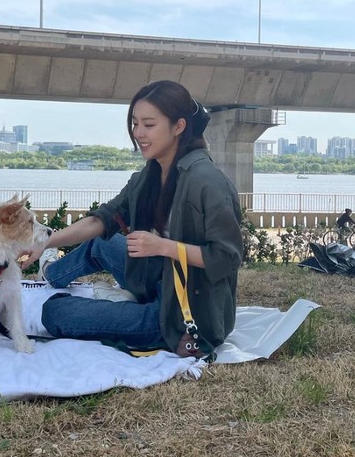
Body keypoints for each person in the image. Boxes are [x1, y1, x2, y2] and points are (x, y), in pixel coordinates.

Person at [20, 80, 243, 358]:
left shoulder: (207, 182)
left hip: (182, 314)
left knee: (56, 312)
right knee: (101, 244)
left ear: (179, 127)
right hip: (156, 277)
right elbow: (101, 221)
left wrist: (163, 246)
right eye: (135, 124)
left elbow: (227, 258)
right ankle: (50, 273)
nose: (139, 133)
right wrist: (45, 241)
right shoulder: (148, 176)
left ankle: (130, 315)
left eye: (149, 125)